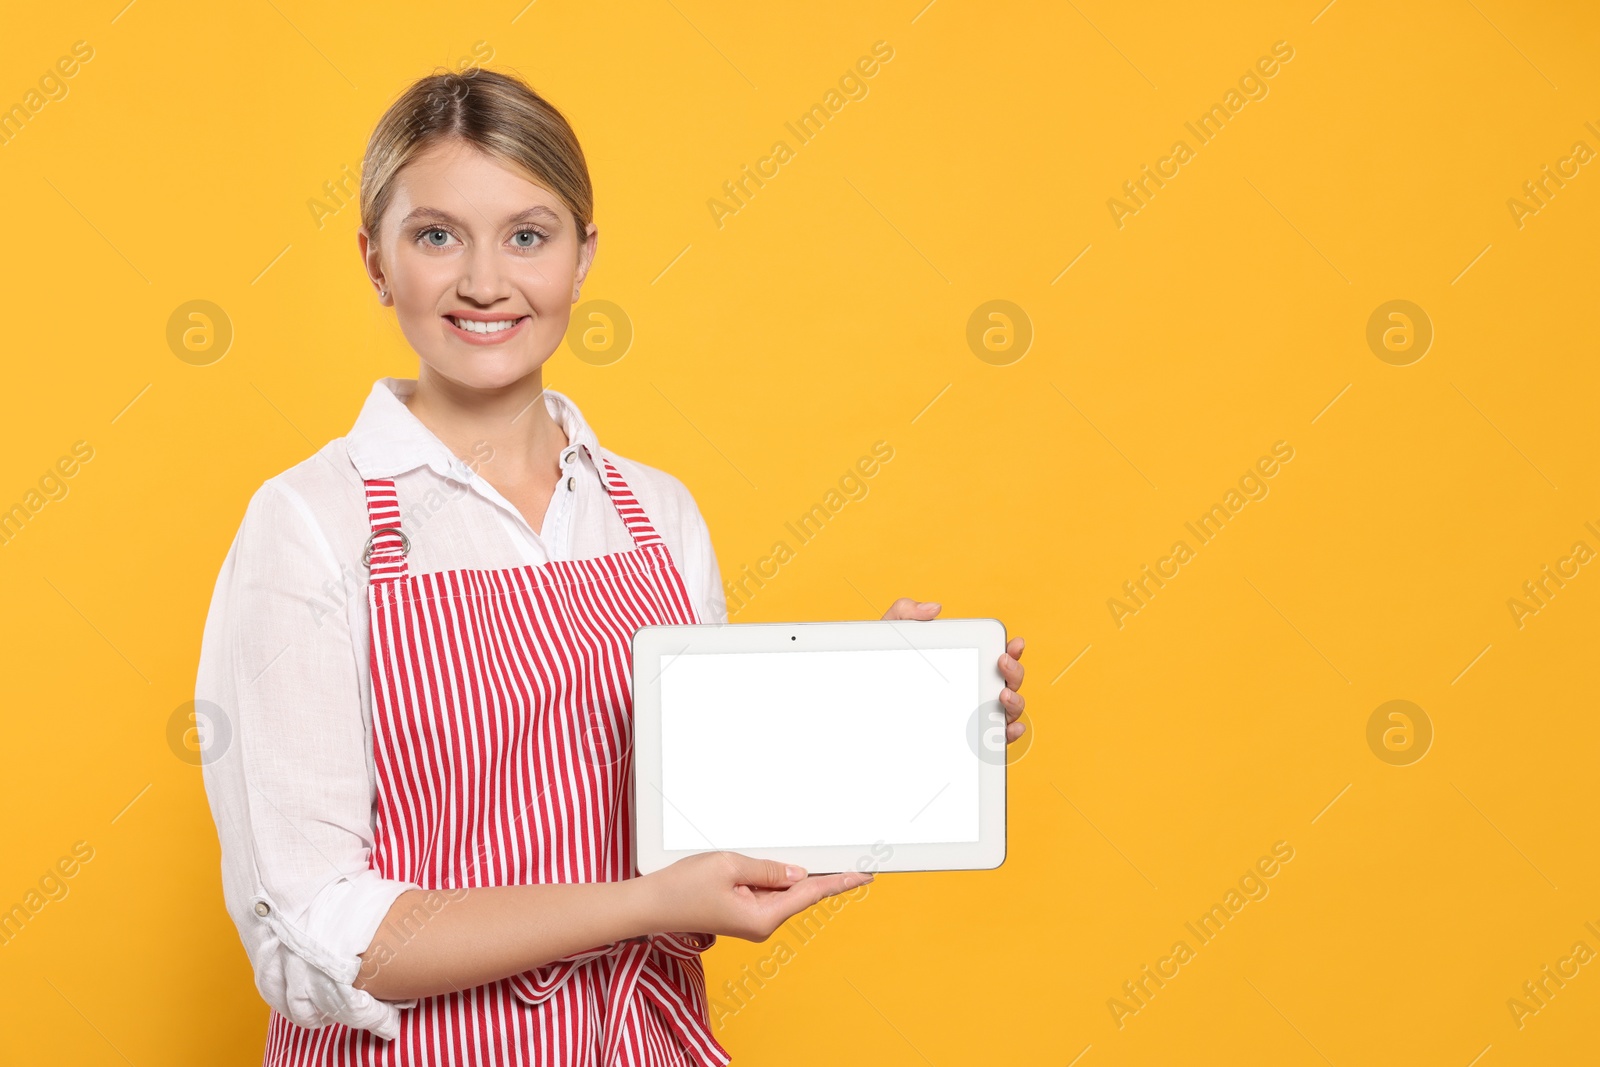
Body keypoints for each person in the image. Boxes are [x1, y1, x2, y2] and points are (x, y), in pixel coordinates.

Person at [196, 66, 1029, 1066]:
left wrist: (875, 715)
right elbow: (318, 926)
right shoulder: (312, 525)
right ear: (375, 261)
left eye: (528, 234)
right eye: (435, 235)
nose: (485, 281)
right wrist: (640, 903)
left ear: (583, 257)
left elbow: (711, 833)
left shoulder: (658, 516)